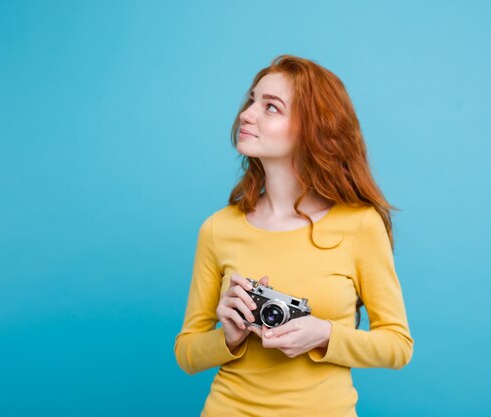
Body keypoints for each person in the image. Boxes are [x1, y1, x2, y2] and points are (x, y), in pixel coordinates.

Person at [174, 55, 414, 417]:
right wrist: (229, 336)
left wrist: (324, 335)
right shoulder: (218, 228)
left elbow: (398, 346)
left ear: (310, 129)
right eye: (252, 100)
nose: (247, 114)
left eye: (271, 107)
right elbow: (187, 353)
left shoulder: (360, 225)